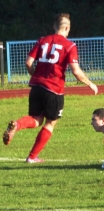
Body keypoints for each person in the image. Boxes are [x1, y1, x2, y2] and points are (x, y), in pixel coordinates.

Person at [2, 13, 98, 163]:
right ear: (67, 28)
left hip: (36, 86)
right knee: (50, 123)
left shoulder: (42, 41)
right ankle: (32, 157)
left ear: (54, 26)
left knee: (36, 119)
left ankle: (18, 124)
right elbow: (76, 71)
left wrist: (36, 76)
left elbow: (28, 63)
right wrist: (90, 83)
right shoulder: (69, 45)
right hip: (54, 89)